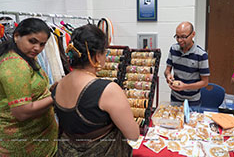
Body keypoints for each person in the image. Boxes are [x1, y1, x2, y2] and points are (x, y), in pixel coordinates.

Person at [52, 24, 139, 156]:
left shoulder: (58, 85)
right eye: (106, 52)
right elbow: (133, 135)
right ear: (97, 56)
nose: (106, 56)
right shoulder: (107, 90)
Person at [0, 18, 58, 156]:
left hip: (39, 139)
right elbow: (22, 112)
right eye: (32, 41)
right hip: (24, 144)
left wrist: (54, 87)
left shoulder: (26, 57)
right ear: (16, 36)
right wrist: (55, 96)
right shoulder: (15, 65)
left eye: (42, 44)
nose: (37, 48)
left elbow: (33, 88)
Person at [164, 21, 210, 111]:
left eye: (183, 37)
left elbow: (205, 82)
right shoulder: (173, 49)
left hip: (192, 101)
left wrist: (185, 86)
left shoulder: (201, 55)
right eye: (177, 37)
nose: (180, 40)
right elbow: (167, 70)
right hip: (175, 99)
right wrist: (168, 76)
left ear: (193, 34)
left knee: (190, 124)